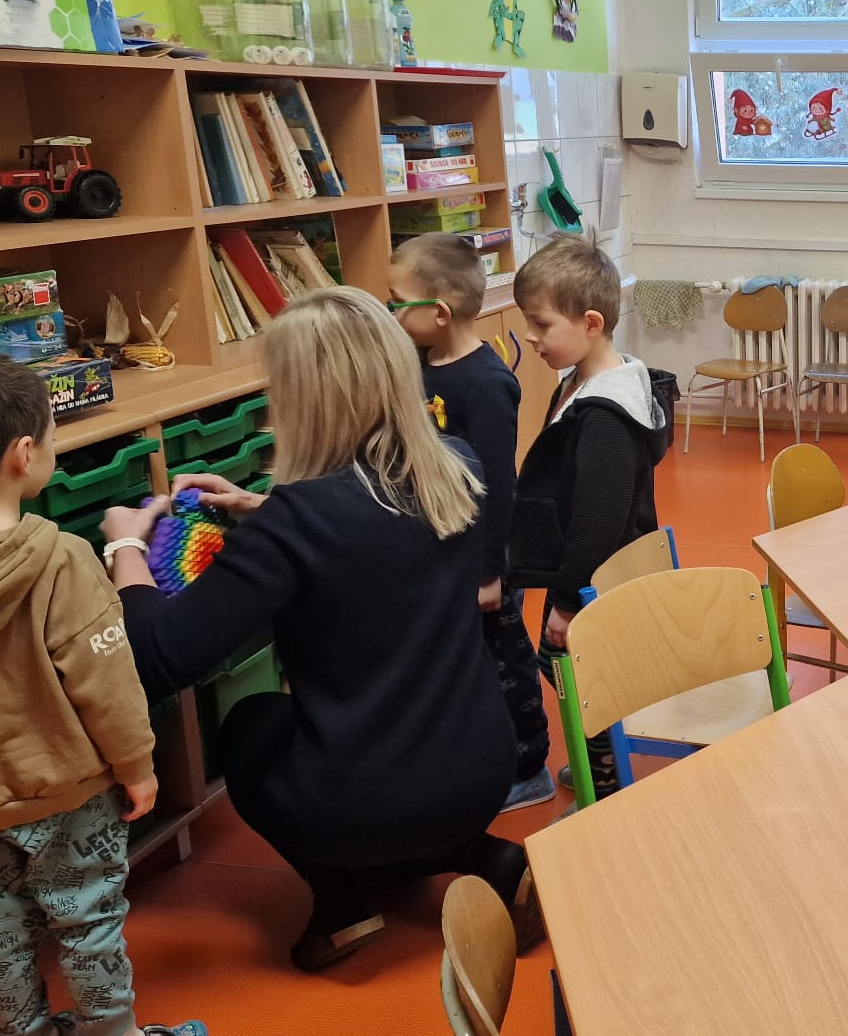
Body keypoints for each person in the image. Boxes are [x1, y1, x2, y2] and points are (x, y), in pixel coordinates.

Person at [101, 289, 536, 973]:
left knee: (249, 726)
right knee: (402, 754)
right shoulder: (457, 466)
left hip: (363, 802)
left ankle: (340, 899)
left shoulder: (296, 523)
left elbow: (160, 658)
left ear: (304, 398)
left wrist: (125, 548)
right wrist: (258, 506)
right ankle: (477, 851)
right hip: (485, 769)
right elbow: (368, 528)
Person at [0, 348, 205, 1036]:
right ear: (24, 455)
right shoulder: (59, 560)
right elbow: (106, 683)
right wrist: (138, 766)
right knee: (88, 922)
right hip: (67, 792)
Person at [392, 234, 553, 812]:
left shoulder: (486, 382)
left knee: (505, 658)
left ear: (438, 312)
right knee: (462, 658)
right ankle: (470, 752)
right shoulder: (418, 364)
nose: (391, 314)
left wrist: (489, 573)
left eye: (397, 303)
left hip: (483, 559)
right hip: (439, 549)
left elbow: (499, 487)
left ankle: (530, 766)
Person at [507, 238, 668, 802]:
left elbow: (598, 520)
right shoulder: (583, 380)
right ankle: (601, 762)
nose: (531, 337)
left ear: (591, 323)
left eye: (541, 324)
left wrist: (569, 605)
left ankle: (605, 787)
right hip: (581, 575)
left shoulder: (605, 416)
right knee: (571, 670)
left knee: (579, 676)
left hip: (590, 581)